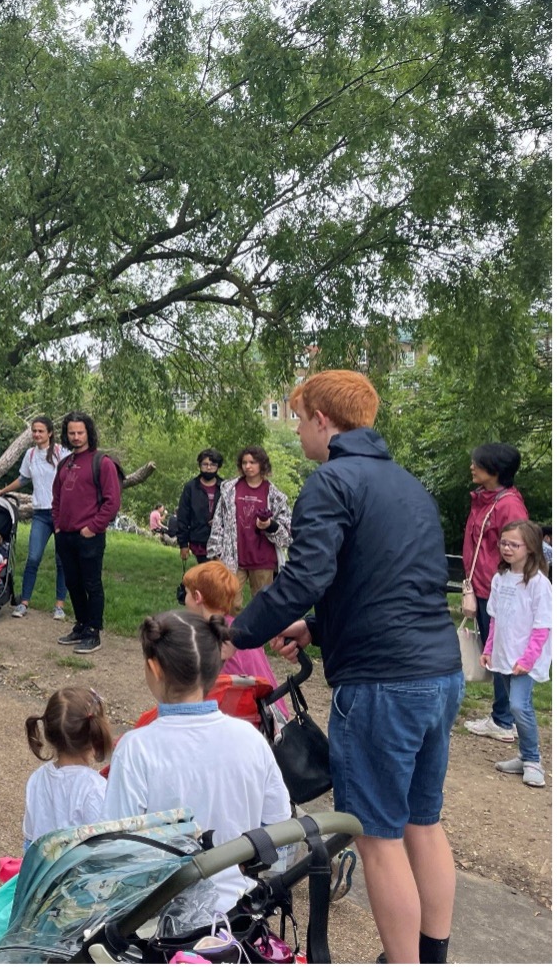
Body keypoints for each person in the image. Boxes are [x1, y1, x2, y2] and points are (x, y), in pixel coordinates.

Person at [226, 370, 463, 965]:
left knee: (377, 837)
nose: (301, 429)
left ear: (322, 421)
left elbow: (304, 578)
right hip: (439, 671)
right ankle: (432, 954)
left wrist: (234, 632)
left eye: (301, 418)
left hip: (384, 683)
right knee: (422, 823)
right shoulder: (408, 485)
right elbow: (389, 580)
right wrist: (320, 627)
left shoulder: (331, 481)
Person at [103, 611, 291, 915]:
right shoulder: (251, 738)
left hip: (158, 925)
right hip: (240, 916)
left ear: (154, 667)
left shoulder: (136, 748)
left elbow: (117, 851)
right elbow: (280, 831)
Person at [460, 443, 529, 743]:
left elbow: (520, 550)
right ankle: (501, 716)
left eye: (478, 463)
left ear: (495, 471)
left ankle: (504, 720)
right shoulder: (486, 500)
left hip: (497, 591)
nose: (472, 466)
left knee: (502, 655)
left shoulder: (508, 505)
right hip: (484, 587)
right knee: (496, 654)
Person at [482, 520, 551, 788]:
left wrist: (528, 659)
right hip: (504, 655)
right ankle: (524, 755)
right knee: (515, 704)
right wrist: (489, 649)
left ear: (531, 548)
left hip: (524, 660)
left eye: (514, 544)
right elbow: (495, 619)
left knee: (518, 706)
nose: (507, 548)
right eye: (504, 543)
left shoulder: (538, 584)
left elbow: (542, 627)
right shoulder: (500, 579)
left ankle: (533, 759)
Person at [181, 560, 287, 724]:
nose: (184, 601)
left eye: (186, 594)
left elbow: (212, 700)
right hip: (274, 714)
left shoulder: (211, 640)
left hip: (251, 722)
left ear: (197, 597)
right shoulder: (242, 629)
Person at [51, 412, 121, 654]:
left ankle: (94, 631)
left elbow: (112, 502)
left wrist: (93, 528)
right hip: (65, 535)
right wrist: (57, 525)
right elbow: (56, 498)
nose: (76, 437)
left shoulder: (102, 463)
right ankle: (81, 624)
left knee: (92, 583)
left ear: (88, 433)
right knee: (72, 583)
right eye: (72, 433)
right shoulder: (65, 463)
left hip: (89, 536)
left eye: (80, 432)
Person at [22, 687, 113, 851]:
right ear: (96, 734)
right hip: (76, 874)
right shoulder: (96, 788)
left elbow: (30, 839)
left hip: (42, 872)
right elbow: (105, 848)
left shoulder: (37, 778)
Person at [0, 416, 69, 620]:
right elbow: (23, 479)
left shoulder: (61, 453)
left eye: (40, 431)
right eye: (34, 431)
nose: (37, 434)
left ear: (50, 433)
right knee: (33, 558)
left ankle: (59, 605)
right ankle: (24, 603)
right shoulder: (30, 455)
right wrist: (2, 491)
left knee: (62, 560)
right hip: (40, 513)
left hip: (61, 514)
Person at [206, 445, 292, 597]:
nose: (248, 466)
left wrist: (269, 525)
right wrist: (216, 552)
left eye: (252, 462)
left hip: (263, 560)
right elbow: (219, 523)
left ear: (262, 464)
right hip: (233, 558)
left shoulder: (274, 495)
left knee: (262, 605)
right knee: (229, 600)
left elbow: (287, 533)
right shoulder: (229, 490)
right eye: (244, 462)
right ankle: (231, 622)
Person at [176, 449, 224, 565]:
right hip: (199, 540)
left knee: (219, 577)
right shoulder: (191, 487)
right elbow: (183, 516)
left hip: (221, 541)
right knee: (206, 575)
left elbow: (232, 512)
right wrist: (183, 544)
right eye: (205, 464)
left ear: (218, 467)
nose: (208, 468)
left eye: (213, 465)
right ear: (199, 465)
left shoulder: (225, 487)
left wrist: (220, 520)